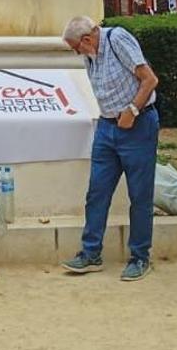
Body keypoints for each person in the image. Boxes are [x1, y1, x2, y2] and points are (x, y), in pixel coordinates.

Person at [60, 15, 160, 282]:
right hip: (107, 126)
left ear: (86, 39)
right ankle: (91, 252)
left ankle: (140, 256)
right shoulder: (89, 54)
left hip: (137, 124)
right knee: (97, 191)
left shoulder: (118, 40)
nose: (74, 52)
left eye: (74, 47)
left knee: (140, 194)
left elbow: (149, 79)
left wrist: (132, 110)